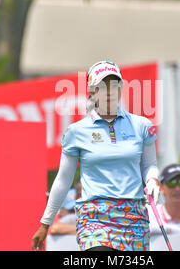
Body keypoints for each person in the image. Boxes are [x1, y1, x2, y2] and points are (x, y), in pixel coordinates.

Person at [31, 60, 160, 251]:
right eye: (102, 86)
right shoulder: (76, 132)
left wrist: (152, 180)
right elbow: (63, 180)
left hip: (134, 218)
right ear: (93, 91)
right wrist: (46, 223)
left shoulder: (142, 125)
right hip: (95, 218)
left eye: (114, 85)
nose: (109, 91)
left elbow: (150, 164)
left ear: (121, 88)